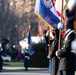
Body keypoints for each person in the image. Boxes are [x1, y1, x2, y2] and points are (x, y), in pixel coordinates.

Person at [56, 3, 76, 75]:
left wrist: (58, 53)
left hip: (68, 65)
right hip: (63, 65)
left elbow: (67, 48)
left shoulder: (72, 34)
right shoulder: (67, 33)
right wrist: (57, 31)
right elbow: (59, 41)